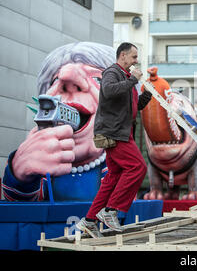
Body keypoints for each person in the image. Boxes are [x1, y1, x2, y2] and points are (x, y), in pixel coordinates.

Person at [2, 42, 115, 201]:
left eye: (97, 79)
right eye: (55, 80)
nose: (67, 77)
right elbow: (19, 208)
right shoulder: (40, 171)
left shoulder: (118, 164)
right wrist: (19, 174)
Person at [76, 42, 152, 237]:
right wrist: (132, 81)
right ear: (123, 56)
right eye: (134, 57)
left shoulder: (127, 78)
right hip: (114, 133)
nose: (137, 61)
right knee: (137, 167)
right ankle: (111, 211)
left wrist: (148, 95)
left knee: (112, 178)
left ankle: (90, 220)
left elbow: (133, 108)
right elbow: (109, 91)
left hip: (120, 132)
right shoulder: (113, 72)